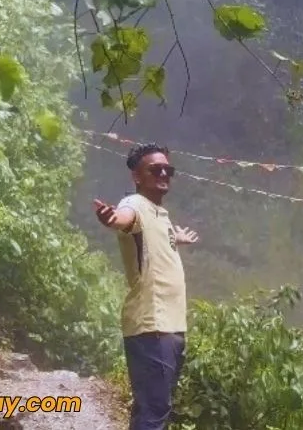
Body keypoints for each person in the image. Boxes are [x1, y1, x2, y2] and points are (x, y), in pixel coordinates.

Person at [93, 143, 199, 430]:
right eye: (155, 169)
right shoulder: (135, 205)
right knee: (155, 410)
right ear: (137, 177)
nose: (164, 173)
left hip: (170, 327)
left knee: (152, 408)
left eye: (168, 169)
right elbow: (124, 218)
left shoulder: (160, 215)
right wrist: (112, 218)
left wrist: (176, 238)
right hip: (153, 325)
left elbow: (152, 243)